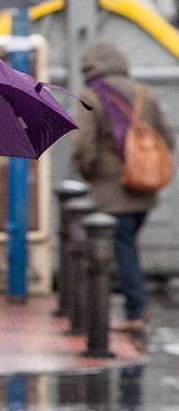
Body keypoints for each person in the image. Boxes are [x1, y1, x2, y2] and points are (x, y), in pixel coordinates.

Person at [71, 40, 171, 336]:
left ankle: (135, 310)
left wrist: (90, 172)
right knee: (126, 245)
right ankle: (134, 303)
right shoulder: (145, 93)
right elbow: (167, 137)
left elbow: (83, 146)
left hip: (111, 190)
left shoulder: (91, 96)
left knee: (123, 249)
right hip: (145, 188)